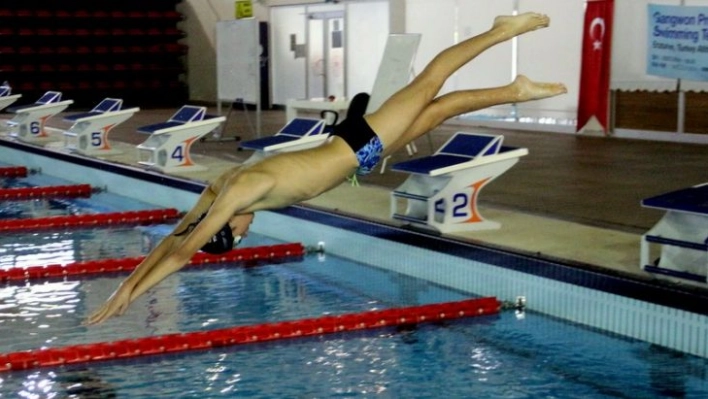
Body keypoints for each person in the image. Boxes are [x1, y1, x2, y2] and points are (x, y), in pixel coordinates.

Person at [87, 12, 567, 325]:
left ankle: (502, 31)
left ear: (227, 228)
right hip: (358, 151)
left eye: (239, 236)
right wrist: (128, 282)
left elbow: (181, 251)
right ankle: (514, 89)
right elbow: (177, 236)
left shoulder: (237, 196)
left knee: (430, 84)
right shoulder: (220, 191)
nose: (247, 233)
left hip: (358, 143)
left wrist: (130, 293)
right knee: (441, 108)